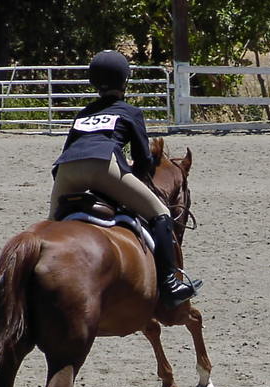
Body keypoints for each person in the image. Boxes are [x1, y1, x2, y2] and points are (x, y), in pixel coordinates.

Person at [48, 50, 201, 308]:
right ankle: (170, 284)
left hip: (66, 169)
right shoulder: (130, 112)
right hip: (102, 165)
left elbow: (70, 150)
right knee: (161, 212)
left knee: (51, 227)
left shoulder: (83, 114)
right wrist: (126, 167)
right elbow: (143, 162)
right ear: (125, 80)